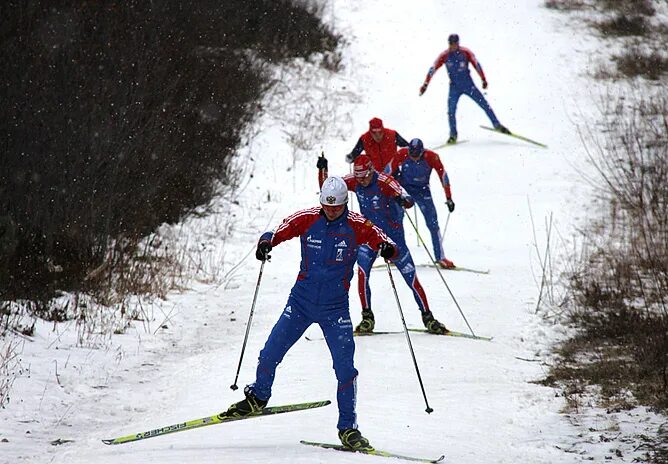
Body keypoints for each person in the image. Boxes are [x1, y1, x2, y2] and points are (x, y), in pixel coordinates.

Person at [224, 176, 397, 451]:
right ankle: (258, 396)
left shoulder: (356, 225)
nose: (331, 211)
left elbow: (382, 238)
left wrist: (387, 249)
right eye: (326, 206)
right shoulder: (308, 218)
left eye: (336, 207)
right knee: (270, 352)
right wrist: (266, 243)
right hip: (301, 303)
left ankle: (348, 428)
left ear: (344, 203)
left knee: (345, 369)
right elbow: (278, 231)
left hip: (335, 309)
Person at [318, 154, 449, 335]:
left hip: (393, 239)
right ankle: (367, 317)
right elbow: (329, 191)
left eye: (364, 177)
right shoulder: (355, 181)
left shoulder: (384, 181)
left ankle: (428, 317)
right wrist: (322, 170)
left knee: (411, 279)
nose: (361, 181)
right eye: (357, 177)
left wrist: (402, 200)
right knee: (362, 275)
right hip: (368, 237)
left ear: (371, 170)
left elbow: (407, 197)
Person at [418, 33, 510, 144]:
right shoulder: (445, 55)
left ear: (458, 43)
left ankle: (497, 125)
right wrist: (425, 85)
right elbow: (433, 69)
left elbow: (476, 64)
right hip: (454, 87)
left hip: (468, 85)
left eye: (454, 44)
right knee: (451, 111)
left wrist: (483, 79)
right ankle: (453, 135)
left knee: (484, 104)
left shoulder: (465, 52)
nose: (452, 46)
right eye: (451, 44)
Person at [394, 138, 456, 269]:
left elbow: (443, 175)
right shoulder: (401, 154)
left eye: (417, 156)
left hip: (423, 191)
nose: (414, 159)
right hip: (404, 189)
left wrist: (449, 197)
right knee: (396, 220)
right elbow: (387, 172)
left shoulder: (432, 157)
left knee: (433, 223)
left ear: (422, 152)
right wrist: (391, 191)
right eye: (412, 156)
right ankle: (396, 255)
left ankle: (440, 257)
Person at [345, 117, 409, 174]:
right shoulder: (364, 139)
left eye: (380, 132)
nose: (378, 136)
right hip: (375, 175)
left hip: (393, 172)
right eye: (374, 133)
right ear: (370, 132)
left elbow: (408, 148)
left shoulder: (392, 135)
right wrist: (350, 157)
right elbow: (354, 154)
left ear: (383, 129)